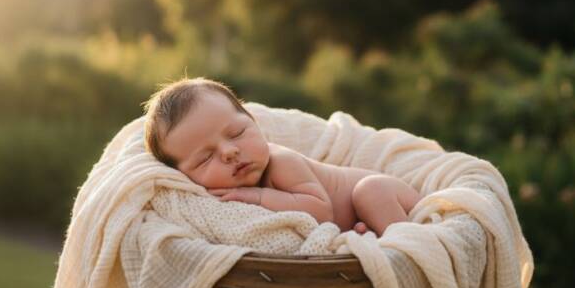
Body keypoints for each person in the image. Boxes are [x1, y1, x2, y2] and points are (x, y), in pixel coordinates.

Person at [143, 77, 421, 237]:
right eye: (205, 159)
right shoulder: (209, 202)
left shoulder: (281, 162)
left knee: (370, 191)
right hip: (360, 221)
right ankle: (378, 234)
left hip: (386, 193)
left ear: (255, 123)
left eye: (238, 132)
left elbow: (322, 211)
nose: (229, 152)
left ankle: (405, 247)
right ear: (184, 175)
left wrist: (257, 197)